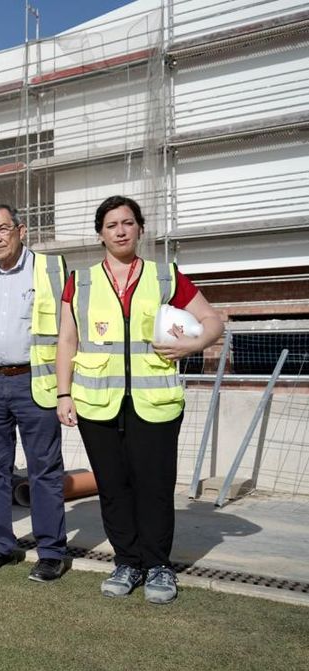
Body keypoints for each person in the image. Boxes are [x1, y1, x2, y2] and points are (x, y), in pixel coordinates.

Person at [56, 195, 224, 604]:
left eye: (128, 223)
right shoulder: (81, 281)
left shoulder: (166, 276)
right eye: (111, 224)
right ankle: (127, 561)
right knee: (114, 487)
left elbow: (213, 321)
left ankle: (158, 566)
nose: (120, 230)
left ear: (140, 229)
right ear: (100, 234)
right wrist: (63, 393)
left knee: (154, 485)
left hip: (155, 403)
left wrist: (191, 347)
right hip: (98, 403)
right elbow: (66, 340)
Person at [0, 204, 68, 582]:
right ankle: (1, 546)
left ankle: (51, 551)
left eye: (2, 229)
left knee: (44, 471)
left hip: (35, 383)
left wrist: (66, 389)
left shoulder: (51, 269)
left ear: (20, 230)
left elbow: (69, 328)